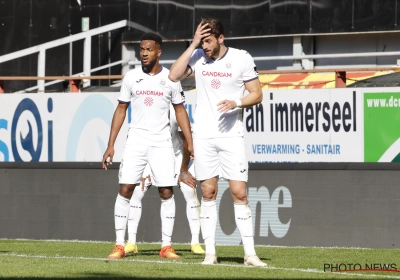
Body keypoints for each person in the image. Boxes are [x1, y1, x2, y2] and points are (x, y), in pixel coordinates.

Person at [168, 18, 266, 267]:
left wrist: (237, 102)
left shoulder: (242, 57)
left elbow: (257, 94)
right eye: (202, 41)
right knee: (208, 192)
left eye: (208, 41)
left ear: (221, 38)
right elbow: (173, 75)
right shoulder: (199, 56)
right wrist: (193, 44)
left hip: (232, 136)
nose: (205, 46)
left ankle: (250, 254)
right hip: (204, 137)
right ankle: (210, 252)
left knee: (239, 192)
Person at [102, 32, 193, 260]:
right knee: (125, 190)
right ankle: (119, 245)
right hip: (136, 142)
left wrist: (190, 141)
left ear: (158, 52)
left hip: (161, 142)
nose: (144, 53)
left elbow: (180, 111)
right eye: (142, 49)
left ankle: (166, 246)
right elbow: (121, 109)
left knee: (166, 191)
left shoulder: (171, 79)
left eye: (148, 49)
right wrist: (110, 144)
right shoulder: (131, 78)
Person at [124, 104, 205, 256]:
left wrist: (183, 170)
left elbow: (188, 140)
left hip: (177, 156)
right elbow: (133, 139)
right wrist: (141, 166)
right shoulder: (144, 109)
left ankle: (195, 242)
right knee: (136, 193)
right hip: (151, 156)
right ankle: (131, 242)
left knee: (189, 191)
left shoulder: (176, 110)